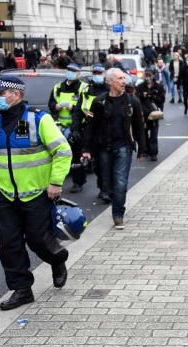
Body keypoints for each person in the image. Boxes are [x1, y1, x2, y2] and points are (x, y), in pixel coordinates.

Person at [0, 75, 72, 310]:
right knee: (9, 245)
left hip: (37, 194)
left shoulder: (39, 120)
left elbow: (62, 151)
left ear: (15, 95)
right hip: (4, 195)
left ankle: (57, 260)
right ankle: (22, 289)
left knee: (39, 241)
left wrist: (55, 183)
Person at [81, 68, 146, 230]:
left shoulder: (133, 101)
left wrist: (142, 148)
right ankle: (113, 198)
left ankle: (118, 214)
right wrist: (86, 148)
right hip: (104, 148)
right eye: (119, 78)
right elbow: (90, 126)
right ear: (110, 82)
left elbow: (139, 127)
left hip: (124, 147)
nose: (123, 81)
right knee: (108, 184)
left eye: (124, 78)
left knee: (121, 182)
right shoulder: (99, 101)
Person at [71, 63, 110, 203]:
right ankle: (79, 182)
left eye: (99, 73)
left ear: (104, 75)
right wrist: (74, 129)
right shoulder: (86, 90)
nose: (96, 76)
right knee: (81, 158)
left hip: (103, 130)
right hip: (87, 129)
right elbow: (77, 112)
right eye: (94, 73)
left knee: (102, 162)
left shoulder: (109, 89)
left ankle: (104, 189)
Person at [48, 63, 89, 193]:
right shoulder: (58, 87)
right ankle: (56, 180)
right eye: (69, 70)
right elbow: (51, 102)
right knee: (59, 155)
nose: (70, 73)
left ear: (79, 74)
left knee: (77, 155)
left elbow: (87, 106)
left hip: (77, 127)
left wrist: (74, 109)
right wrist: (56, 106)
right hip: (60, 127)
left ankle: (78, 182)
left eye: (73, 71)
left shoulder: (84, 87)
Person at [136, 68, 166, 161]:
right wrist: (142, 95)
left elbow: (162, 100)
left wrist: (154, 96)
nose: (148, 77)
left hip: (154, 114)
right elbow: (136, 99)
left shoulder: (158, 87)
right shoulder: (140, 86)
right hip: (143, 114)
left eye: (150, 75)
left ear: (153, 75)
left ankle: (153, 152)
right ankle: (145, 149)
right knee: (144, 132)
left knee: (153, 133)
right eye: (146, 75)